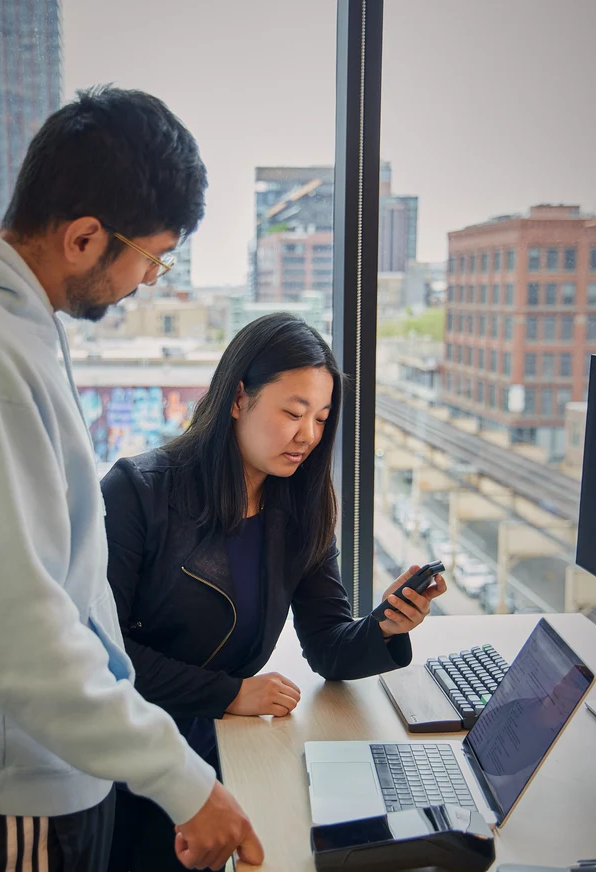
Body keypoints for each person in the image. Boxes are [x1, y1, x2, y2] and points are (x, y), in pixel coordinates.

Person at [0, 86, 262, 872]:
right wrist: (181, 778)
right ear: (85, 237)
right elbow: (17, 628)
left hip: (44, 766)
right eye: (150, 259)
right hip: (11, 789)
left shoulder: (13, 327)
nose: (148, 281)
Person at [101, 312, 447, 871]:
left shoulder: (299, 507)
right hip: (131, 759)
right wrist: (230, 693)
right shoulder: (137, 492)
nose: (308, 435)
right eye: (292, 412)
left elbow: (328, 646)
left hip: (224, 748)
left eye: (321, 418)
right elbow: (103, 655)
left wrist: (385, 625)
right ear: (239, 398)